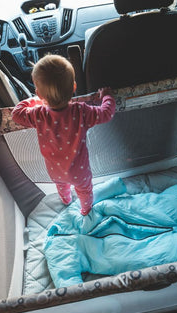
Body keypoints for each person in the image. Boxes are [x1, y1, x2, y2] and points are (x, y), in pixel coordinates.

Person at [11, 54, 116, 216]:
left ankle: (66, 200)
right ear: (73, 87)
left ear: (39, 94)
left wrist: (32, 100)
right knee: (85, 190)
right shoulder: (82, 111)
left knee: (62, 186)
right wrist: (107, 96)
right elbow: (106, 113)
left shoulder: (38, 114)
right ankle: (86, 210)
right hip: (79, 171)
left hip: (55, 171)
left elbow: (16, 114)